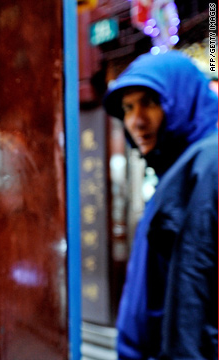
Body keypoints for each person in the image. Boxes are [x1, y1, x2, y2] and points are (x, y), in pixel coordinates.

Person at [103, 51, 218, 359]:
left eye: (150, 102)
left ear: (184, 100)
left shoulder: (207, 164)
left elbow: (193, 301)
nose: (136, 121)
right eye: (128, 108)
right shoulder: (180, 168)